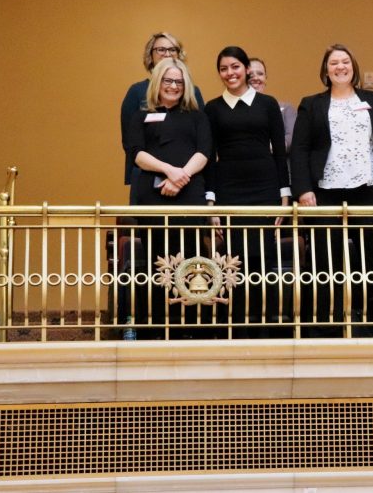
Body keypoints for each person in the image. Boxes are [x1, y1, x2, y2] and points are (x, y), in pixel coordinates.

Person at [290, 44, 373, 335]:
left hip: (372, 190)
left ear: (353, 67)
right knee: (326, 262)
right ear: (325, 71)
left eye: (345, 62)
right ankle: (327, 327)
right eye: (334, 63)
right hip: (326, 193)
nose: (340, 67)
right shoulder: (311, 104)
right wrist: (303, 190)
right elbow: (299, 150)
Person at [205, 46, 291, 336]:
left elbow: (280, 152)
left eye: (235, 67)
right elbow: (209, 156)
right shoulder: (212, 108)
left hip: (265, 188)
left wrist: (284, 195)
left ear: (246, 69)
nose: (230, 73)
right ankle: (236, 329)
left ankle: (265, 329)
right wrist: (211, 202)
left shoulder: (268, 104)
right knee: (234, 261)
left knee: (264, 260)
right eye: (224, 68)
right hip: (229, 190)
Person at [124, 57, 211, 337]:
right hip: (153, 196)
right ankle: (156, 328)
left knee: (193, 261)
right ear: (157, 82)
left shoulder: (198, 116)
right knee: (157, 260)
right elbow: (136, 153)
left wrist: (181, 176)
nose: (173, 86)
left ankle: (193, 328)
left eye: (179, 81)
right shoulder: (141, 116)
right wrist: (169, 171)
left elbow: (204, 152)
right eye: (168, 80)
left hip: (190, 195)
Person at [120, 32, 204, 204]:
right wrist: (165, 171)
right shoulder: (136, 91)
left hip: (187, 178)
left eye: (172, 50)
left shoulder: (193, 92)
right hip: (146, 175)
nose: (167, 54)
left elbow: (202, 140)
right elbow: (130, 142)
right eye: (161, 49)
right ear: (150, 55)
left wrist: (180, 176)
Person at [248, 56, 297, 153]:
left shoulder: (286, 109)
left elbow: (292, 138)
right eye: (250, 75)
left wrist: (262, 148)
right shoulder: (236, 110)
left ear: (265, 79)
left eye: (260, 74)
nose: (256, 78)